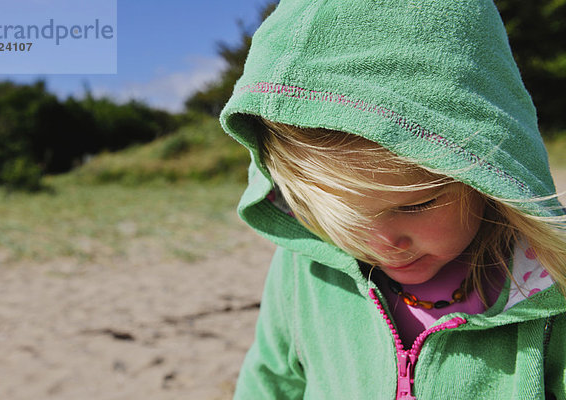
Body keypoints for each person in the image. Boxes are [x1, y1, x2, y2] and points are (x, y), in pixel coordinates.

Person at [219, 0, 566, 398]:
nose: (382, 243)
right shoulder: (304, 269)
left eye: (414, 205)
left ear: (483, 171)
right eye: (339, 216)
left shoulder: (550, 289)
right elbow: (269, 382)